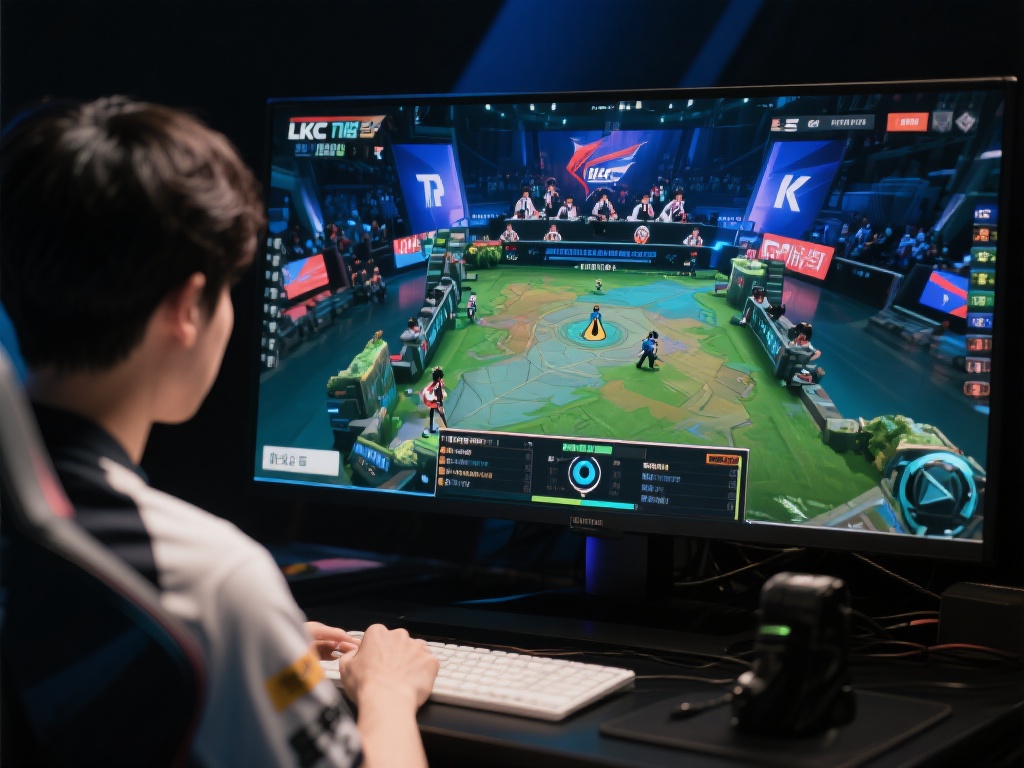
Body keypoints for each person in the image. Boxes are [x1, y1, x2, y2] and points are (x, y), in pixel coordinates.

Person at [0, 96, 438, 768]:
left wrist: (256, 644)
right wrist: (385, 690)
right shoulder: (218, 581)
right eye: (229, 288)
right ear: (186, 308)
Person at [420, 366, 448, 434]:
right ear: (439, 378)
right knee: (442, 414)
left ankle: (432, 428)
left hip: (429, 399)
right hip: (432, 400)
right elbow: (439, 396)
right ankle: (447, 428)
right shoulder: (438, 385)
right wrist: (440, 405)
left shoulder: (434, 383)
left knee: (432, 412)